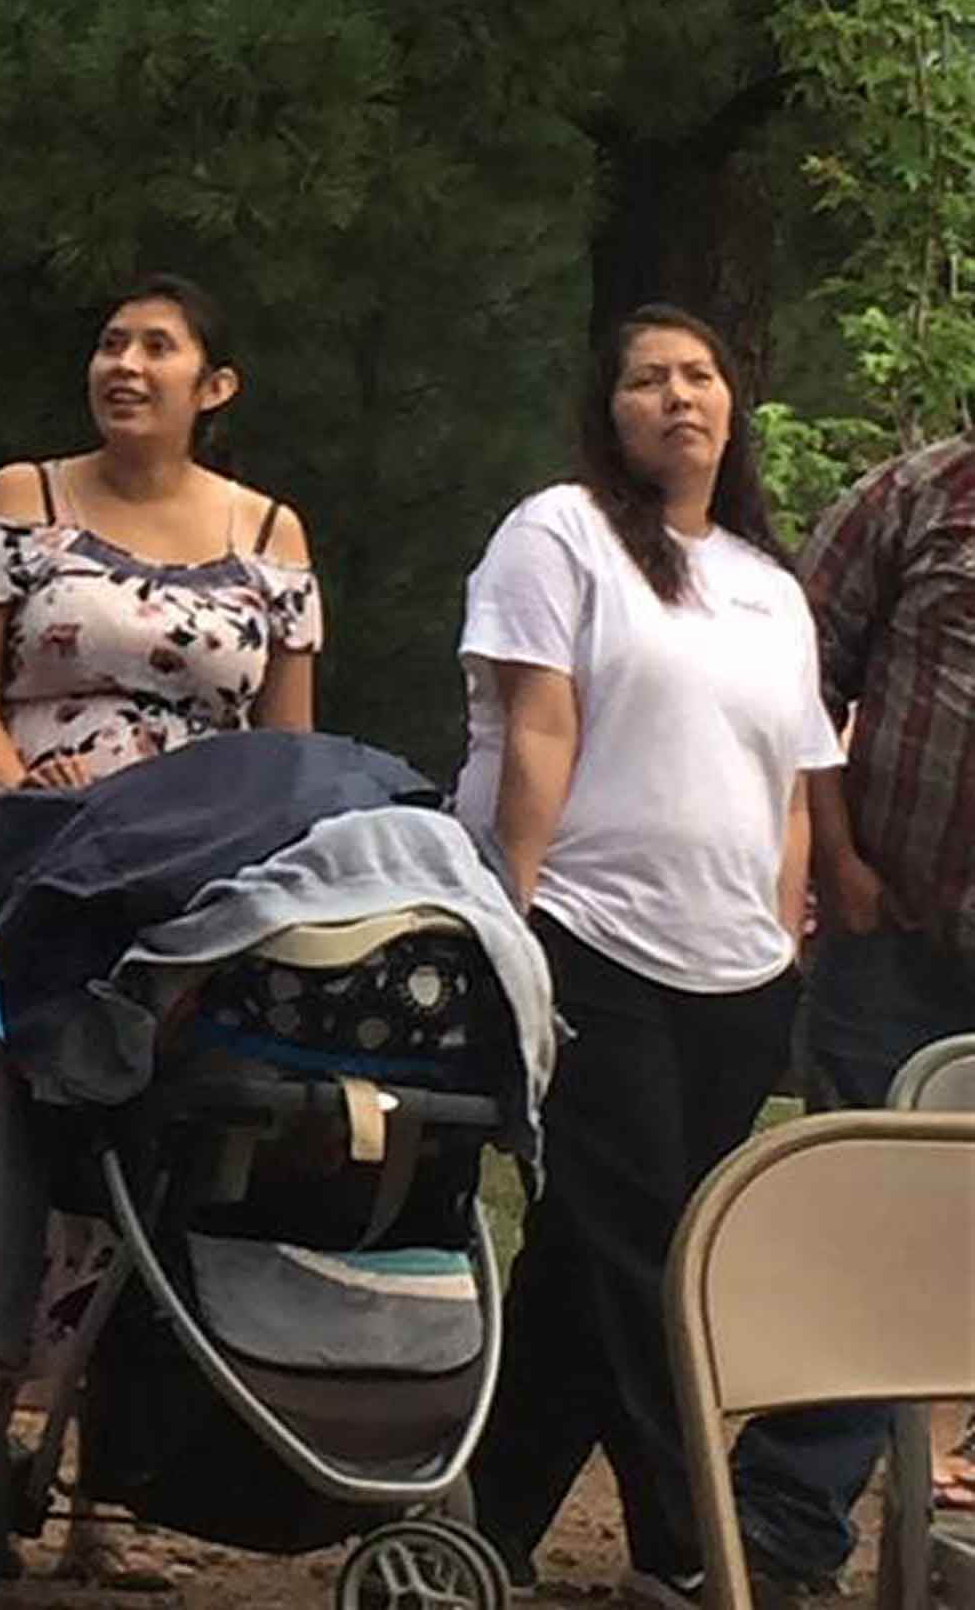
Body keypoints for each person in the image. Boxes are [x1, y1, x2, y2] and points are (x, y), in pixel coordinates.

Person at [458, 304, 839, 1610]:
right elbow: (540, 730)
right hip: (588, 940)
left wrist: (785, 935)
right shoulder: (557, 534)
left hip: (735, 975)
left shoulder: (771, 586)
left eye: (700, 375)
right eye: (645, 380)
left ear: (734, 403)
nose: (678, 397)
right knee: (646, 1250)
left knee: (586, 1252)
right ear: (606, 409)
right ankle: (696, 1540)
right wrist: (518, 916)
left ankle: (481, 1529)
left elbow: (792, 780)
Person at [0, 273, 321, 1455]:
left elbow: (292, 743)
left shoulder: (270, 533)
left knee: (166, 1137)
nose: (125, 366)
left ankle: (119, 1454)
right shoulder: (25, 496)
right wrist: (17, 797)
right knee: (20, 1112)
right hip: (40, 857)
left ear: (217, 385)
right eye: (109, 343)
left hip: (195, 877)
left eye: (157, 347)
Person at [728, 434, 975, 1591]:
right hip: (896, 935)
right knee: (862, 1231)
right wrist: (833, 860)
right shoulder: (919, 495)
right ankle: (781, 1533)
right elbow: (794, 681)